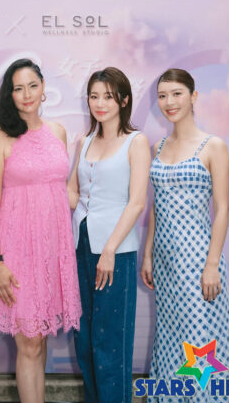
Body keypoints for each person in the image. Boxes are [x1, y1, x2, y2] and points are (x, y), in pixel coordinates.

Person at [0, 58, 81, 403]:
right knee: (30, 342)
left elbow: (60, 192)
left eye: (32, 86)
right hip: (16, 253)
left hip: (52, 251)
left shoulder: (58, 132)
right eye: (18, 88)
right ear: (9, 94)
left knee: (40, 340)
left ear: (43, 87)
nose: (26, 94)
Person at [141, 68, 229, 402]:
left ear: (193, 96)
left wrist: (212, 265)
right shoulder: (158, 147)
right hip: (166, 264)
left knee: (201, 345)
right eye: (162, 95)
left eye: (177, 93)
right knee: (171, 341)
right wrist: (148, 254)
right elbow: (156, 205)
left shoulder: (214, 146)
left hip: (199, 263)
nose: (169, 102)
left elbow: (222, 209)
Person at [68, 67, 151, 403]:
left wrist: (109, 250)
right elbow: (73, 193)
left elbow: (137, 202)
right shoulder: (84, 141)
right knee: (85, 339)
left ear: (124, 100)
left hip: (116, 251)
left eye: (108, 96)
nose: (99, 103)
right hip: (80, 244)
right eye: (94, 96)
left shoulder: (136, 142)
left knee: (110, 340)